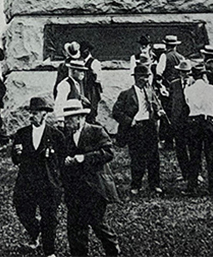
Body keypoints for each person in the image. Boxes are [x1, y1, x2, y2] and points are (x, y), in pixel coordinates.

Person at [61, 99, 121, 256]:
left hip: (95, 187)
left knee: (97, 223)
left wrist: (84, 158)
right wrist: (66, 161)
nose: (66, 122)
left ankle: (112, 247)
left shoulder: (96, 131)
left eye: (70, 119)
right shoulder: (66, 138)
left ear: (81, 118)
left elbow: (108, 152)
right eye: (65, 119)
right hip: (74, 190)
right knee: (75, 227)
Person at [11, 96, 65, 257]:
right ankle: (35, 231)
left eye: (35, 113)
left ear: (44, 114)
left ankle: (49, 251)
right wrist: (16, 153)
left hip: (48, 183)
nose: (32, 116)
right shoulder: (22, 134)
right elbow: (15, 160)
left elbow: (62, 160)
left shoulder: (56, 136)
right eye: (31, 113)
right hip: (26, 183)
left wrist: (59, 181)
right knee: (23, 210)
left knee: (49, 217)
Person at [112, 64, 165, 195]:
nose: (146, 80)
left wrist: (159, 113)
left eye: (148, 77)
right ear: (136, 78)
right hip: (135, 128)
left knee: (154, 157)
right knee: (137, 158)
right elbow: (116, 112)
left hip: (150, 126)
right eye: (144, 77)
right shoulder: (126, 94)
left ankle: (155, 184)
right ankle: (136, 185)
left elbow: (156, 108)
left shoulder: (151, 92)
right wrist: (130, 121)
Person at [183, 63, 213, 194]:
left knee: (194, 155)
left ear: (193, 76)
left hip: (193, 122)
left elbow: (188, 105)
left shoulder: (188, 89)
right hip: (208, 122)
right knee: (211, 156)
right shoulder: (211, 89)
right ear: (204, 76)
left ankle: (192, 186)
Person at [166, 59, 192, 183]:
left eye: (187, 72)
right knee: (180, 148)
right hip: (178, 121)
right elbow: (171, 103)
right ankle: (185, 172)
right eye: (182, 72)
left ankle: (195, 173)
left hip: (192, 120)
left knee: (193, 147)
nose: (185, 74)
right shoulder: (174, 84)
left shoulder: (195, 84)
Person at [79, 41, 104, 123]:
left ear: (87, 50)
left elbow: (98, 79)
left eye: (83, 50)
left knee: (91, 111)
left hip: (91, 90)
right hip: (83, 90)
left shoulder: (95, 62)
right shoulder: (81, 62)